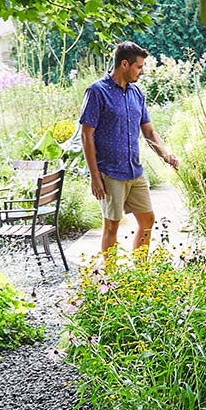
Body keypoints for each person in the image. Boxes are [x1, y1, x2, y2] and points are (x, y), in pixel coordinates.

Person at [79, 42, 180, 255]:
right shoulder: (97, 92)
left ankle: (140, 273)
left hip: (135, 171)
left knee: (147, 220)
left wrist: (166, 155)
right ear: (124, 64)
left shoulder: (136, 93)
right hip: (110, 173)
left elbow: (150, 132)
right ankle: (110, 280)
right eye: (139, 67)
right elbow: (86, 135)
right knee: (112, 225)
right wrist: (95, 177)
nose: (142, 72)